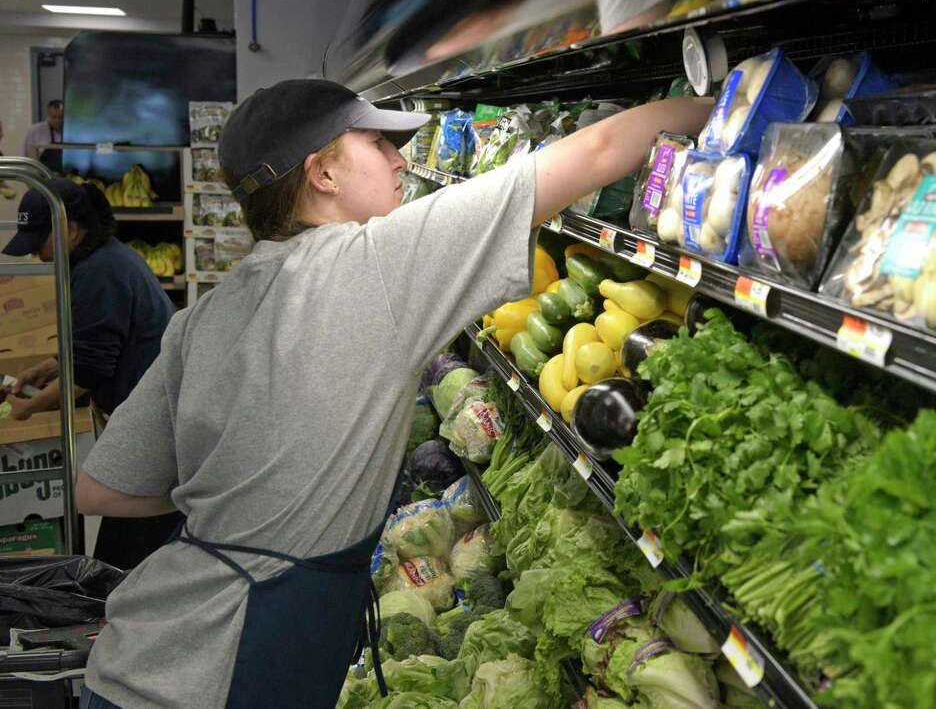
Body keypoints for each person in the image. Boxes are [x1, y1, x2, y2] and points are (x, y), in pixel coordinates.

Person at [71, 79, 711, 709]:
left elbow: (103, 489)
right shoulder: (377, 262)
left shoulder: (202, 317)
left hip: (140, 655)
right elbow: (596, 155)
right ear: (323, 172)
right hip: (224, 671)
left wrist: (243, 490)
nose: (401, 159)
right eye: (379, 144)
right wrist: (725, 103)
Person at [2, 178, 182, 570]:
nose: (40, 258)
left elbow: (88, 370)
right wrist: (48, 365)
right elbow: (93, 343)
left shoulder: (99, 271)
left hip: (156, 429)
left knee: (125, 560)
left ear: (69, 227)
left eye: (41, 244)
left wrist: (26, 410)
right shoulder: (102, 259)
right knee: (129, 546)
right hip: (155, 421)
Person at [23, 99, 64, 171]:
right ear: (48, 114)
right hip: (42, 175)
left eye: (60, 117)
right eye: (54, 117)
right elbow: (28, 158)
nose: (57, 120)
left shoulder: (70, 132)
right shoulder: (34, 131)